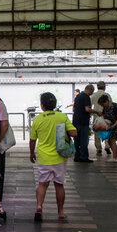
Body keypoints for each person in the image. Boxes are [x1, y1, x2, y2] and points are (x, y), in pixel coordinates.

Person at [29, 92, 76, 222]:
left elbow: (32, 140)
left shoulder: (38, 119)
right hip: (59, 157)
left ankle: (39, 206)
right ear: (54, 104)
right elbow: (74, 132)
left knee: (42, 184)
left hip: (44, 157)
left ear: (42, 106)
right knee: (59, 185)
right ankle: (60, 212)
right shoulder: (62, 116)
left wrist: (31, 153)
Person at [98, 94, 117, 163]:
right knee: (109, 141)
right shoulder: (105, 108)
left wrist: (114, 125)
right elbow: (105, 116)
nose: (102, 106)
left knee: (112, 140)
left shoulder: (115, 106)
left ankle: (115, 157)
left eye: (103, 104)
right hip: (111, 126)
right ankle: (116, 156)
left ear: (107, 101)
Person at [72, 84, 95, 163]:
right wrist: (96, 112)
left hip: (75, 121)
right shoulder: (86, 97)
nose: (92, 92)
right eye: (93, 91)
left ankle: (77, 156)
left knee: (77, 140)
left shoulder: (78, 96)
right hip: (83, 122)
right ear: (90, 90)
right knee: (84, 141)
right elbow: (87, 109)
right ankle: (84, 157)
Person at [89, 80, 107, 155]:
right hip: (105, 116)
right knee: (106, 131)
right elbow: (110, 105)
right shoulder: (107, 95)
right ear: (104, 87)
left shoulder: (93, 95)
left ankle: (99, 148)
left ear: (97, 87)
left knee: (97, 133)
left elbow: (89, 106)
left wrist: (91, 114)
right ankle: (107, 146)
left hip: (96, 116)